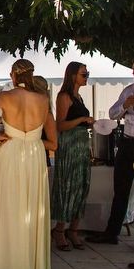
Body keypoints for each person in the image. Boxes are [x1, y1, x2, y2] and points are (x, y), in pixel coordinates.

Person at [0, 59, 57, 269]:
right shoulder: (43, 99)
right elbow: (50, 136)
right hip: (33, 153)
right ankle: (31, 266)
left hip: (11, 152)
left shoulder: (6, 97)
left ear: (13, 75)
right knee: (32, 206)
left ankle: (10, 265)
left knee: (11, 206)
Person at [88, 62, 134, 246]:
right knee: (121, 189)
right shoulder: (128, 91)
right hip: (128, 143)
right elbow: (113, 114)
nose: (132, 70)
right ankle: (111, 232)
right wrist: (125, 105)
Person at [51, 62, 94, 251]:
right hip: (69, 146)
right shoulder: (64, 96)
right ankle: (60, 230)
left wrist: (88, 124)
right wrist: (82, 120)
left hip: (82, 146)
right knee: (68, 185)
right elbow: (60, 125)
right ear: (72, 76)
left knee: (82, 185)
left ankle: (73, 229)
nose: (86, 77)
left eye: (86, 74)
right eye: (83, 74)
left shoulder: (79, 97)